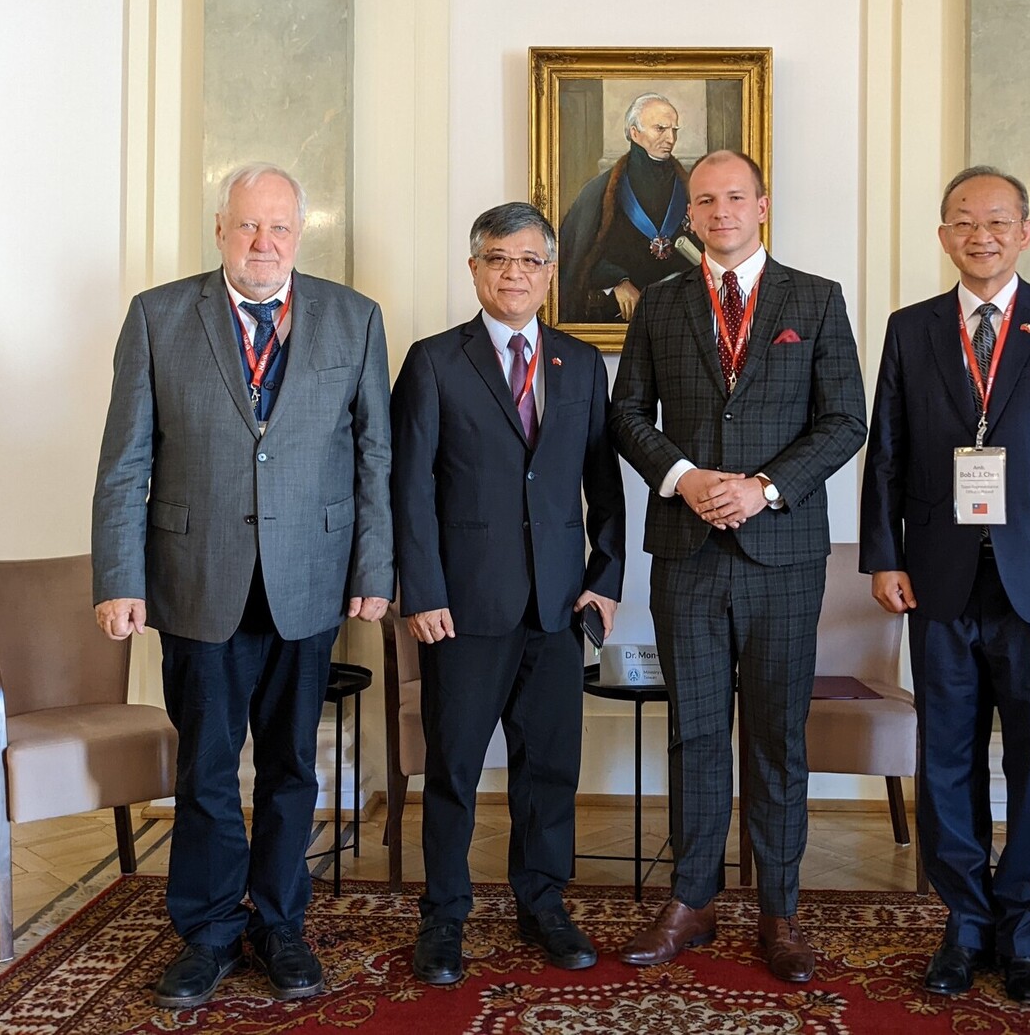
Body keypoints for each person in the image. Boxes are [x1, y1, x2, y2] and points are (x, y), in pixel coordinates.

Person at [91, 162, 394, 1008]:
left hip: (311, 582)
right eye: (248, 227)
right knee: (207, 771)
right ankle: (211, 930)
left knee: (295, 768)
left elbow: (375, 454)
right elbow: (125, 463)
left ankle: (280, 925)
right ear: (221, 229)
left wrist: (375, 567)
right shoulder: (157, 316)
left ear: (301, 234)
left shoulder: (353, 318)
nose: (264, 243)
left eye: (280, 229)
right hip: (195, 581)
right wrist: (120, 577)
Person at [859, 165, 1030, 1006]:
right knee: (946, 761)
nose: (979, 235)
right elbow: (888, 454)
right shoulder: (910, 330)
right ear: (942, 235)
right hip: (938, 580)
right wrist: (883, 556)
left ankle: (1023, 934)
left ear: (1024, 232)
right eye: (961, 222)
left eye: (996, 222)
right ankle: (964, 925)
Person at [610, 150, 866, 983]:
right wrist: (686, 480)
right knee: (692, 733)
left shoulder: (815, 300)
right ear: (689, 214)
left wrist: (762, 487)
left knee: (775, 736)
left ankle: (779, 911)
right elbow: (625, 415)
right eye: (704, 200)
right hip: (686, 552)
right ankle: (691, 900)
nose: (719, 210)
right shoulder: (659, 303)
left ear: (761, 204)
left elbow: (844, 420)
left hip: (782, 553)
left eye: (734, 197)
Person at [391, 202, 626, 986]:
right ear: (473, 269)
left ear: (551, 273)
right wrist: (419, 591)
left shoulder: (580, 365)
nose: (515, 273)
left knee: (548, 767)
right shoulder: (432, 362)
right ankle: (444, 917)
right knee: (454, 768)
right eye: (499, 259)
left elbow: (604, 485)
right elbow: (409, 489)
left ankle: (542, 904)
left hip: (558, 609)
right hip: (461, 607)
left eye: (530, 260)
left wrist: (605, 581)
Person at [558, 92, 703, 322]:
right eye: (661, 129)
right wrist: (617, 281)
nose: (671, 139)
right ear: (635, 133)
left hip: (682, 314)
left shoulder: (691, 189)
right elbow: (577, 261)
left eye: (674, 130)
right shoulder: (598, 192)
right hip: (620, 315)